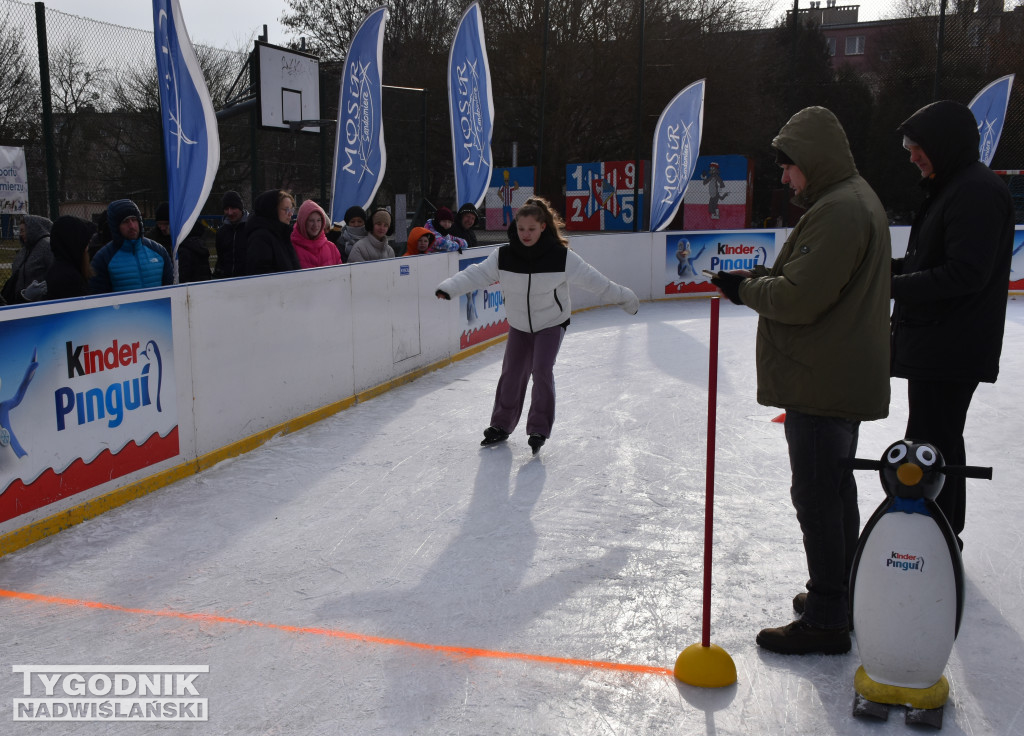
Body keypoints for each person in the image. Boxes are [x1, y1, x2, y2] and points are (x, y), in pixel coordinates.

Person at [710, 106, 891, 655]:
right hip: (832, 372)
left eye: (789, 167)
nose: (784, 177)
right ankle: (839, 592)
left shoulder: (840, 209)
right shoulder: (848, 200)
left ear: (813, 160)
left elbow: (799, 297)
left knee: (817, 497)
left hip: (822, 376)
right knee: (833, 491)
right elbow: (801, 279)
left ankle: (828, 615)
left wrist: (744, 291)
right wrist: (757, 278)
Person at [891, 100, 1015, 550]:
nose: (911, 155)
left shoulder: (975, 191)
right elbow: (929, 261)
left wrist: (893, 286)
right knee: (935, 437)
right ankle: (940, 530)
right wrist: (884, 271)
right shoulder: (951, 187)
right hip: (939, 341)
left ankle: (938, 533)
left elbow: (965, 273)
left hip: (952, 345)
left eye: (917, 146)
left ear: (943, 144)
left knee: (934, 440)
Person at [435, 196, 639, 454]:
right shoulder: (504, 256)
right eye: (521, 229)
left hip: (552, 322)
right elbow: (476, 274)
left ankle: (539, 429)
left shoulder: (561, 257)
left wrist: (625, 298)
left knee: (541, 370)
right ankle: (500, 425)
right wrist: (449, 288)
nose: (526, 234)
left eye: (531, 229)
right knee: (512, 372)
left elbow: (596, 282)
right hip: (520, 324)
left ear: (543, 226)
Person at [89, 199, 173, 293]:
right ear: (115, 226)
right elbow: (98, 298)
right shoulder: (103, 258)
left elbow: (170, 291)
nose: (132, 226)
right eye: (125, 221)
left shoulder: (159, 252)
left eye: (134, 220)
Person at [244, 189, 300, 275]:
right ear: (272, 210)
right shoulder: (260, 238)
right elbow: (261, 273)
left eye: (291, 210)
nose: (290, 214)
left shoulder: (282, 234)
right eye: (286, 209)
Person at [40, 215, 96, 300]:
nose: (88, 247)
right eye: (86, 242)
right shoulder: (68, 278)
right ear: (75, 242)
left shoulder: (60, 268)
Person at [2, 215, 53, 305]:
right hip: (21, 301)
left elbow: (53, 273)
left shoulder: (46, 246)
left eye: (23, 230)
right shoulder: (25, 249)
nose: (20, 234)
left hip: (40, 303)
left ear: (33, 229)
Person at [291, 199, 343, 268]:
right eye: (311, 220)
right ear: (303, 222)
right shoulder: (291, 249)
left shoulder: (331, 248)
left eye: (318, 220)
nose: (316, 225)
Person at [214, 191, 249, 278]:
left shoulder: (251, 228)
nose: (230, 212)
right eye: (226, 209)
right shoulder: (221, 233)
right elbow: (220, 260)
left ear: (241, 208)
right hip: (226, 282)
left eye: (233, 208)